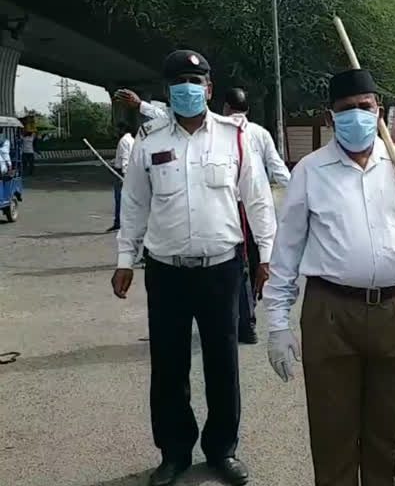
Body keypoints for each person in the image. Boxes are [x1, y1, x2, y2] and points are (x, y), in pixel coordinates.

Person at [263, 69, 395, 486]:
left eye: (365, 108)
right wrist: (277, 324)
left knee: (391, 432)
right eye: (346, 110)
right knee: (333, 432)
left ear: (378, 111)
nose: (357, 117)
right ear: (330, 118)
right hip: (331, 315)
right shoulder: (310, 171)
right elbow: (286, 253)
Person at [111, 50, 276, 486]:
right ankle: (174, 452)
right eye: (180, 81)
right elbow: (134, 206)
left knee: (222, 363)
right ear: (168, 91)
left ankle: (222, 449)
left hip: (222, 268)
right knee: (168, 365)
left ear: (209, 88)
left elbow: (258, 201)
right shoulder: (150, 141)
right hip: (165, 271)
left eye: (196, 80)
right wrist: (125, 259)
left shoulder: (234, 138)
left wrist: (267, 258)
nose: (189, 88)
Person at [222, 87, 291, 344]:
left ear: (226, 108)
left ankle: (244, 320)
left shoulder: (219, 132)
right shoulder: (260, 133)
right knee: (255, 263)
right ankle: (247, 318)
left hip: (233, 207)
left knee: (237, 264)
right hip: (256, 208)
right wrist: (299, 192)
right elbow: (277, 168)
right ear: (247, 110)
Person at [107, 124, 135, 232]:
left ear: (122, 130)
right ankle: (122, 222)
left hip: (122, 174)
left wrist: (124, 176)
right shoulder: (131, 140)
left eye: (117, 129)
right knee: (126, 200)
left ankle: (120, 223)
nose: (116, 132)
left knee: (120, 199)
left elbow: (125, 159)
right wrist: (115, 161)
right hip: (128, 172)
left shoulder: (123, 141)